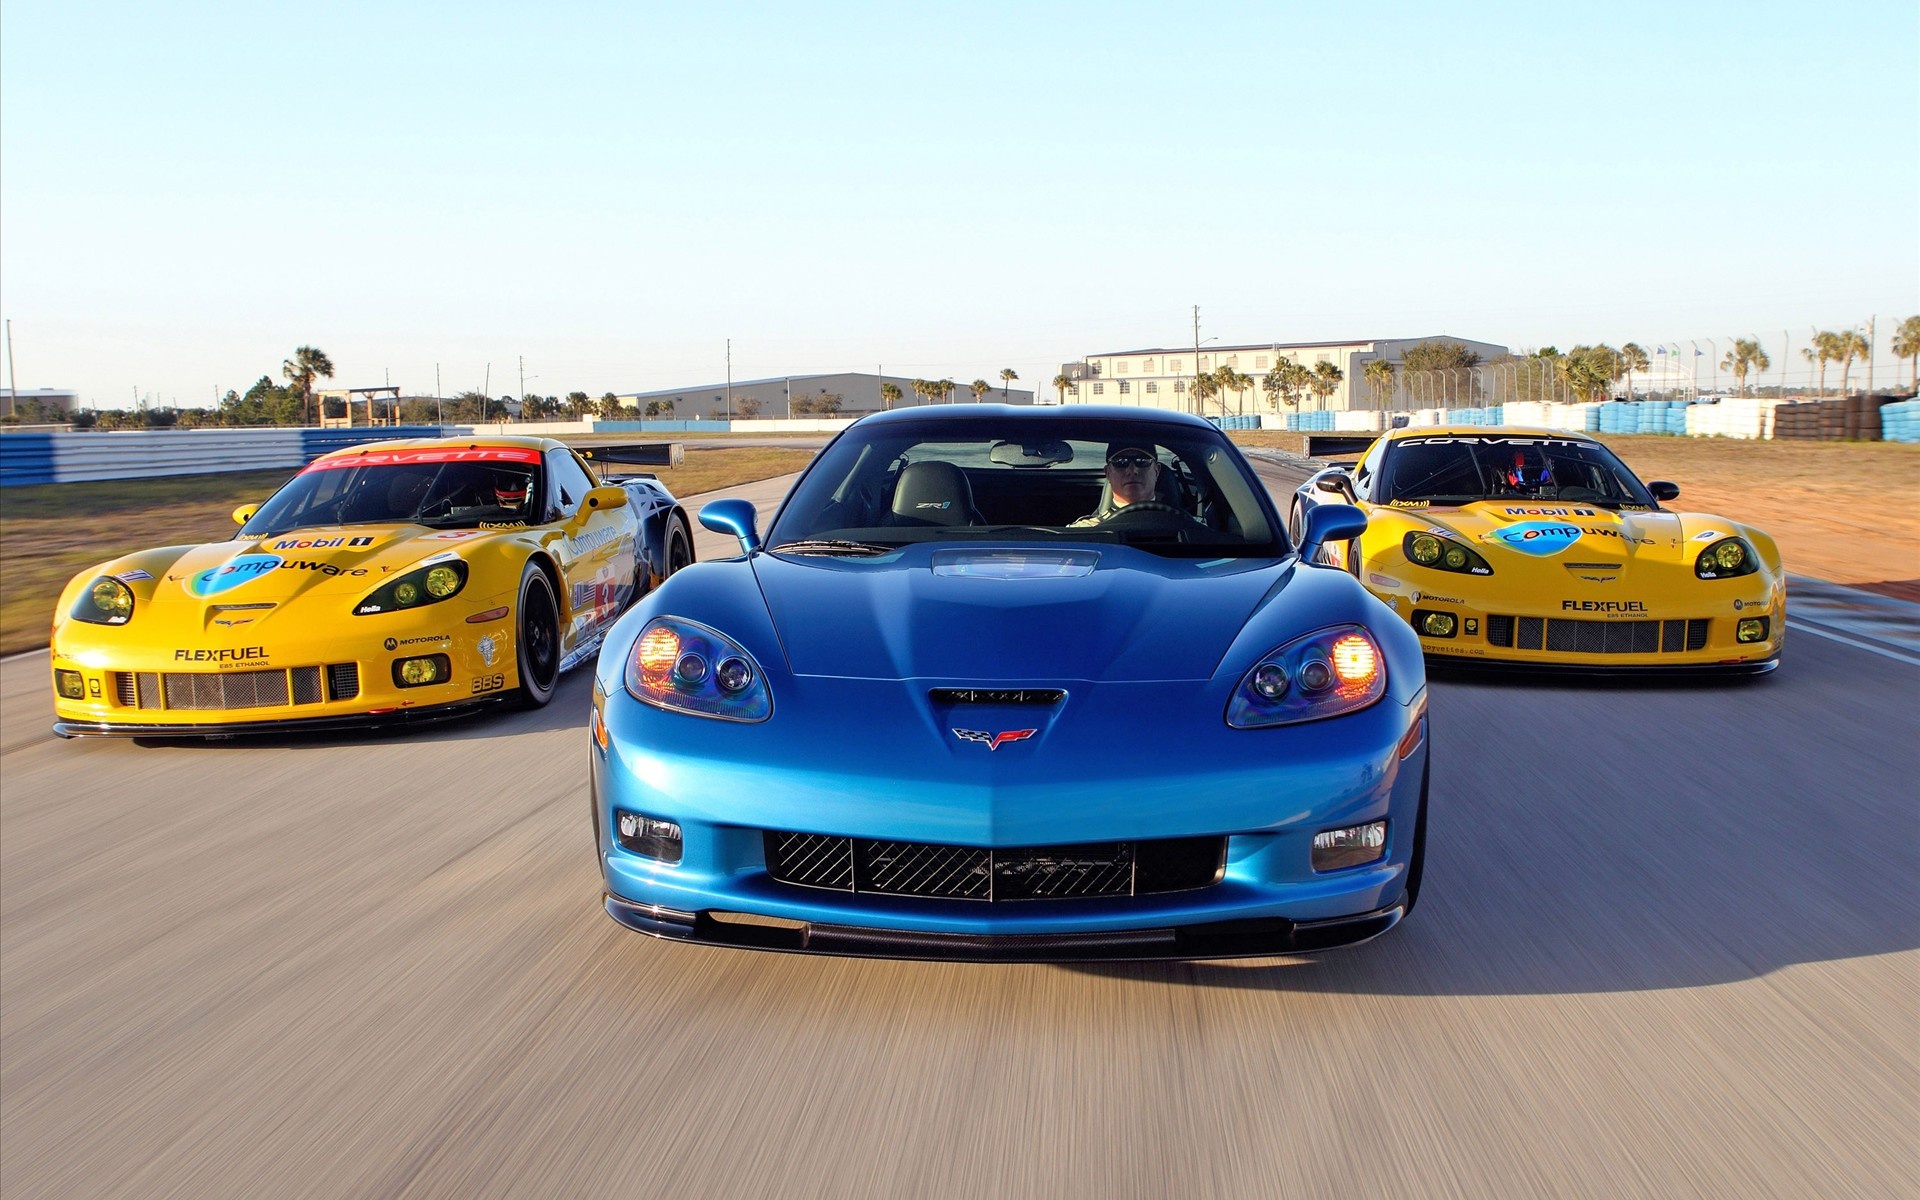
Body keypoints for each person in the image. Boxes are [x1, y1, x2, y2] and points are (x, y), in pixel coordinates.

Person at [1068, 438, 1174, 527]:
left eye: (1141, 461)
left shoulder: (1183, 525)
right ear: (1108, 473)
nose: (1132, 470)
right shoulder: (1088, 529)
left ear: (1157, 470)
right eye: (1120, 462)